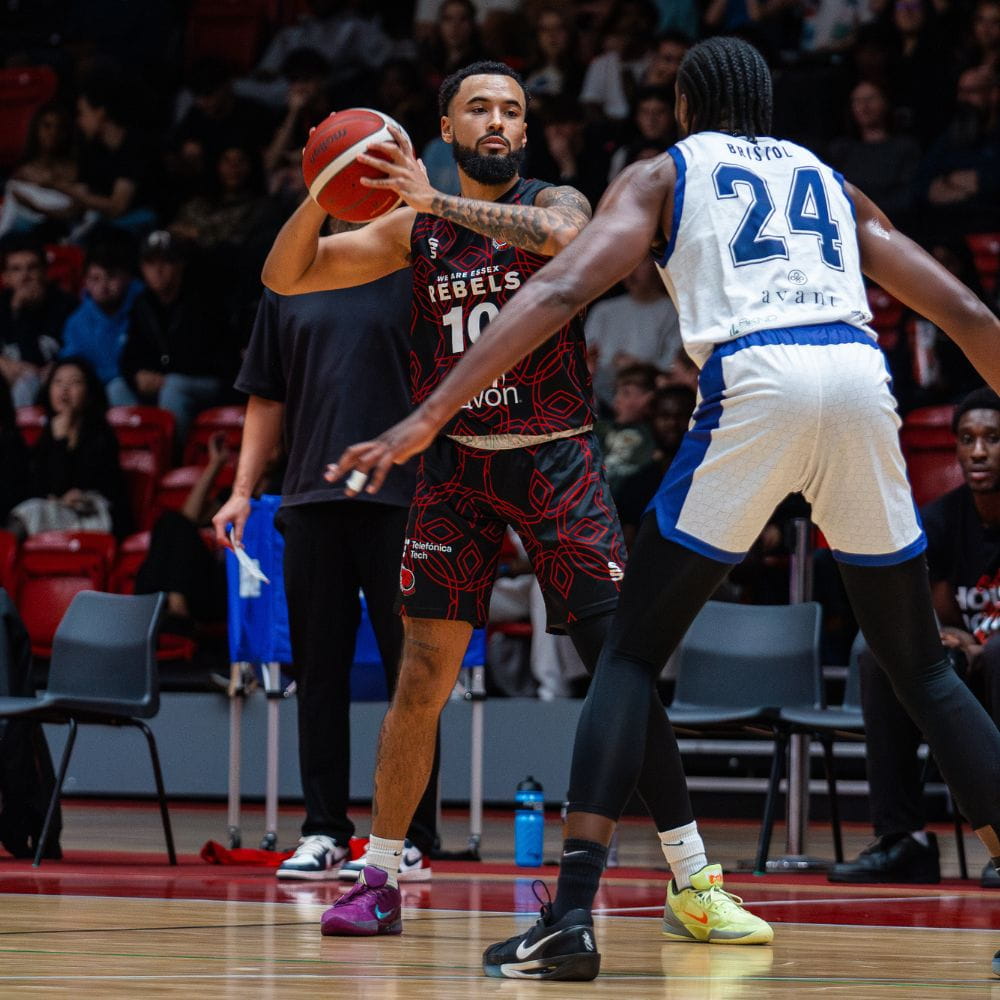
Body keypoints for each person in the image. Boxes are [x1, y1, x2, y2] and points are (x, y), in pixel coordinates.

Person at [326, 37, 1000, 981]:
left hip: (761, 377)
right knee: (924, 672)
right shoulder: (828, 179)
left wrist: (428, 411)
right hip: (857, 379)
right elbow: (966, 311)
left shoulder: (664, 173)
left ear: (685, 108)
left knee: (631, 654)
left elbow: (560, 286)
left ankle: (568, 917)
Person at [267, 59, 770, 942]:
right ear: (448, 130)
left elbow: (560, 242)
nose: (497, 121)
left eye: (511, 110)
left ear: (526, 133)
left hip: (556, 461)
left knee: (617, 665)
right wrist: (327, 183)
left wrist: (430, 200)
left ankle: (693, 878)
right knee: (420, 674)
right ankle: (380, 874)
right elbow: (286, 276)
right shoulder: (407, 232)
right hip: (457, 468)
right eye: (479, 110)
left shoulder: (563, 199)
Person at [211, 265, 440, 882]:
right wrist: (241, 492)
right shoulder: (291, 274)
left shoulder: (421, 267)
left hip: (403, 499)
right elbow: (266, 394)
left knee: (413, 672)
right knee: (317, 673)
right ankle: (324, 831)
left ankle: (408, 837)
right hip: (311, 499)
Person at [830, 387, 1000, 889]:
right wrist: (946, 634)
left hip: (994, 658)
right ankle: (902, 840)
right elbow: (918, 604)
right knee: (877, 652)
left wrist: (981, 645)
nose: (978, 451)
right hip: (965, 661)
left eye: (993, 438)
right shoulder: (946, 517)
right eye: (967, 439)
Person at [119, 230, 228, 446]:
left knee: (174, 387)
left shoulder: (204, 301)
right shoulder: (142, 304)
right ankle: (137, 458)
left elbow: (218, 359)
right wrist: (137, 375)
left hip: (207, 383)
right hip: (165, 382)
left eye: (166, 262)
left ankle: (172, 459)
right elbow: (129, 356)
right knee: (117, 387)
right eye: (150, 263)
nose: (157, 270)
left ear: (180, 265)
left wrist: (164, 376)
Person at [8, 357, 130, 539]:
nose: (64, 389)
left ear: (89, 394)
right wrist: (59, 440)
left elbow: (104, 488)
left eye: (75, 382)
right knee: (29, 510)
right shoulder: (48, 434)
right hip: (55, 513)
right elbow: (39, 486)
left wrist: (61, 442)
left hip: (93, 513)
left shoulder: (101, 435)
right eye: (58, 382)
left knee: (32, 513)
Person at [59, 233, 142, 404]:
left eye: (111, 277)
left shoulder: (145, 308)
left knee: (117, 387)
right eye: (95, 278)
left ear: (127, 277)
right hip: (94, 394)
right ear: (85, 282)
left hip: (141, 388)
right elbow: (75, 366)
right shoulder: (76, 322)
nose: (103, 286)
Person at [0, 237, 75, 407]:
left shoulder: (66, 306)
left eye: (32, 268)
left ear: (45, 272)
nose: (25, 276)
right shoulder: (2, 306)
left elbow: (36, 361)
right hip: (8, 384)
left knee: (28, 382)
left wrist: (20, 311)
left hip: (53, 387)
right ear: (5, 277)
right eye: (16, 269)